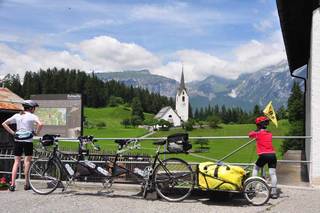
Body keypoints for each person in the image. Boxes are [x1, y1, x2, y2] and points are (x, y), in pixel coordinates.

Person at [2, 100, 43, 191]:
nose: (34, 110)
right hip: (28, 141)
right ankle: (26, 184)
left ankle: (12, 184)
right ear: (31, 108)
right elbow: (41, 124)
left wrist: (13, 133)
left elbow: (4, 123)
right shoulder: (33, 116)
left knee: (16, 162)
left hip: (17, 140)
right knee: (27, 161)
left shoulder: (17, 115)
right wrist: (36, 132)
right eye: (34, 108)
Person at [249, 116, 278, 199]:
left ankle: (253, 187)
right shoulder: (269, 133)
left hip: (264, 155)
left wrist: (256, 131)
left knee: (255, 168)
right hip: (272, 155)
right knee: (272, 173)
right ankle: (274, 192)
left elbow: (250, 135)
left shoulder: (257, 133)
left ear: (258, 125)